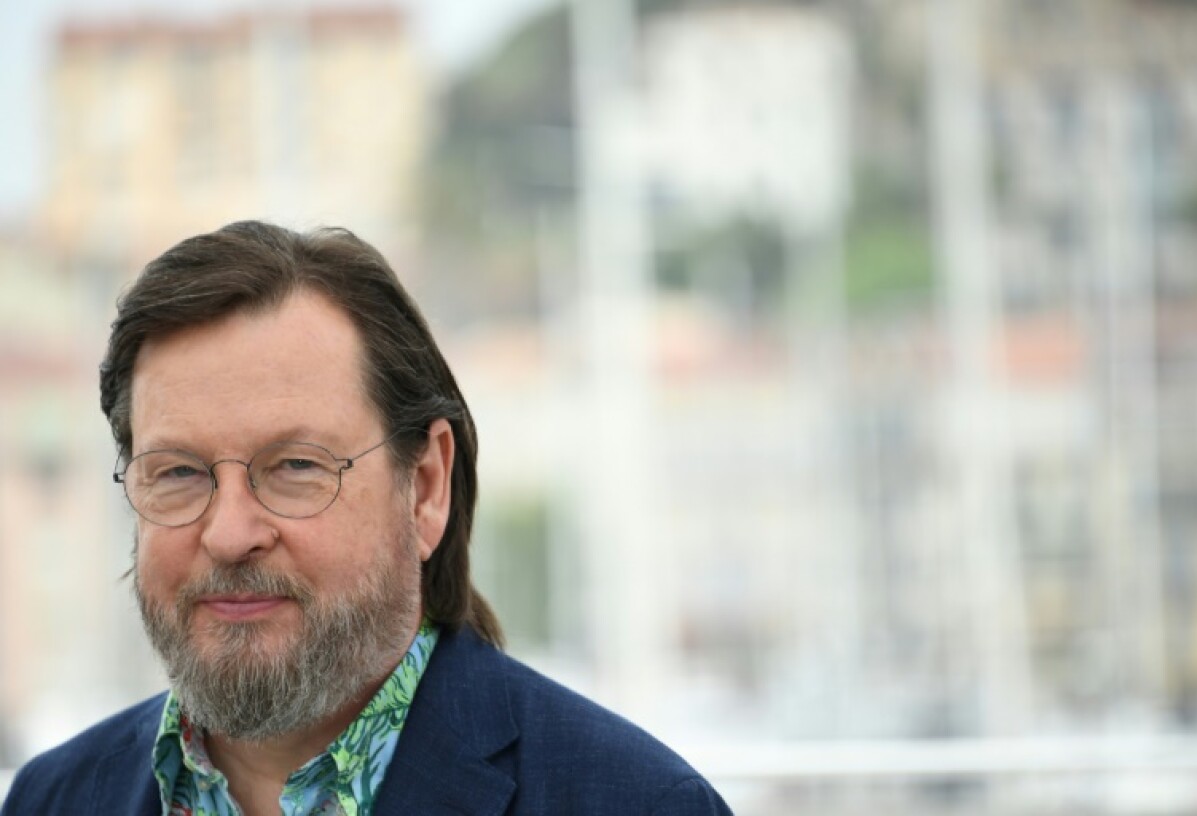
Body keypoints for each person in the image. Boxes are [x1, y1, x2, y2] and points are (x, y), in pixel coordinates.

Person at [1, 221, 732, 815]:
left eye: (295, 467)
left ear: (424, 488)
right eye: (179, 473)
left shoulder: (637, 804)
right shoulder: (51, 800)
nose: (228, 533)